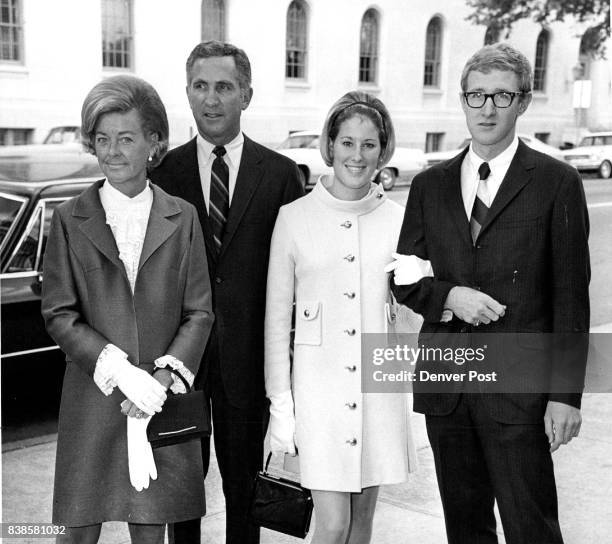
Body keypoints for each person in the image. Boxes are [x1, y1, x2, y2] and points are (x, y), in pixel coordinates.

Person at [389, 43, 590, 544]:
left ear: (522, 103)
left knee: (532, 527)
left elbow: (571, 299)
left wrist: (565, 397)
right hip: (447, 390)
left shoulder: (556, 183)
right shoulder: (429, 186)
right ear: (462, 101)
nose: (487, 108)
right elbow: (406, 278)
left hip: (519, 393)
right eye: (476, 96)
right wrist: (449, 296)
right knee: (465, 527)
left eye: (502, 96)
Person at [41, 75, 214, 544]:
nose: (112, 152)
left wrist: (160, 380)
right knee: (75, 529)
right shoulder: (69, 217)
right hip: (94, 397)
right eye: (102, 140)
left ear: (154, 143)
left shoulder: (183, 217)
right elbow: (60, 312)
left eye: (125, 138)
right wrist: (119, 369)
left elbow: (199, 311)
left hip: (157, 401)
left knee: (150, 528)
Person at [149, 40, 304, 544]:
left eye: (223, 86)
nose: (210, 99)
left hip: (247, 362)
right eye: (200, 86)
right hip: (179, 364)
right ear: (188, 93)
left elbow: (296, 276)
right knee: (182, 495)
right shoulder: (162, 175)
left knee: (244, 497)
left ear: (247, 94)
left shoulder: (279, 175)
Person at [265, 91, 418, 544]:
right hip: (318, 396)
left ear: (383, 150)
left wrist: (422, 278)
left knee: (361, 525)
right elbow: (276, 322)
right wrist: (281, 404)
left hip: (378, 393)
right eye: (347, 142)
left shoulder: (399, 220)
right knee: (332, 525)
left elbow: (411, 320)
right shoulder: (293, 218)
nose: (357, 155)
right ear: (330, 145)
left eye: (369, 145)